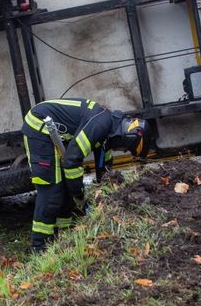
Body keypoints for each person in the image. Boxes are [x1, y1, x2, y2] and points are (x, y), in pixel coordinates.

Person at [21, 98, 151, 252]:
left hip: (57, 134)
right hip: (39, 127)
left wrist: (104, 197)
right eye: (125, 148)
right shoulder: (100, 125)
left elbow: (105, 169)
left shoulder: (108, 129)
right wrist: (80, 197)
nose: (122, 151)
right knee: (52, 189)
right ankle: (39, 246)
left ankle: (63, 233)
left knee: (64, 186)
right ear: (126, 137)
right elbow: (71, 162)